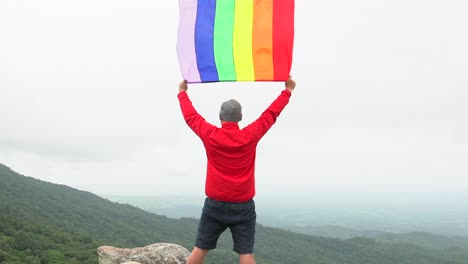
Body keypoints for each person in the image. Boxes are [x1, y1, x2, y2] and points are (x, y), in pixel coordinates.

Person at [178, 77, 296, 264]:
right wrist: (287, 91)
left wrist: (182, 93)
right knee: (246, 254)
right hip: (243, 206)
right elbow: (270, 114)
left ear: (220, 117)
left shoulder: (211, 135)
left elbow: (191, 117)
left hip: (214, 205)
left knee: (200, 249)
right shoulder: (249, 135)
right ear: (240, 117)